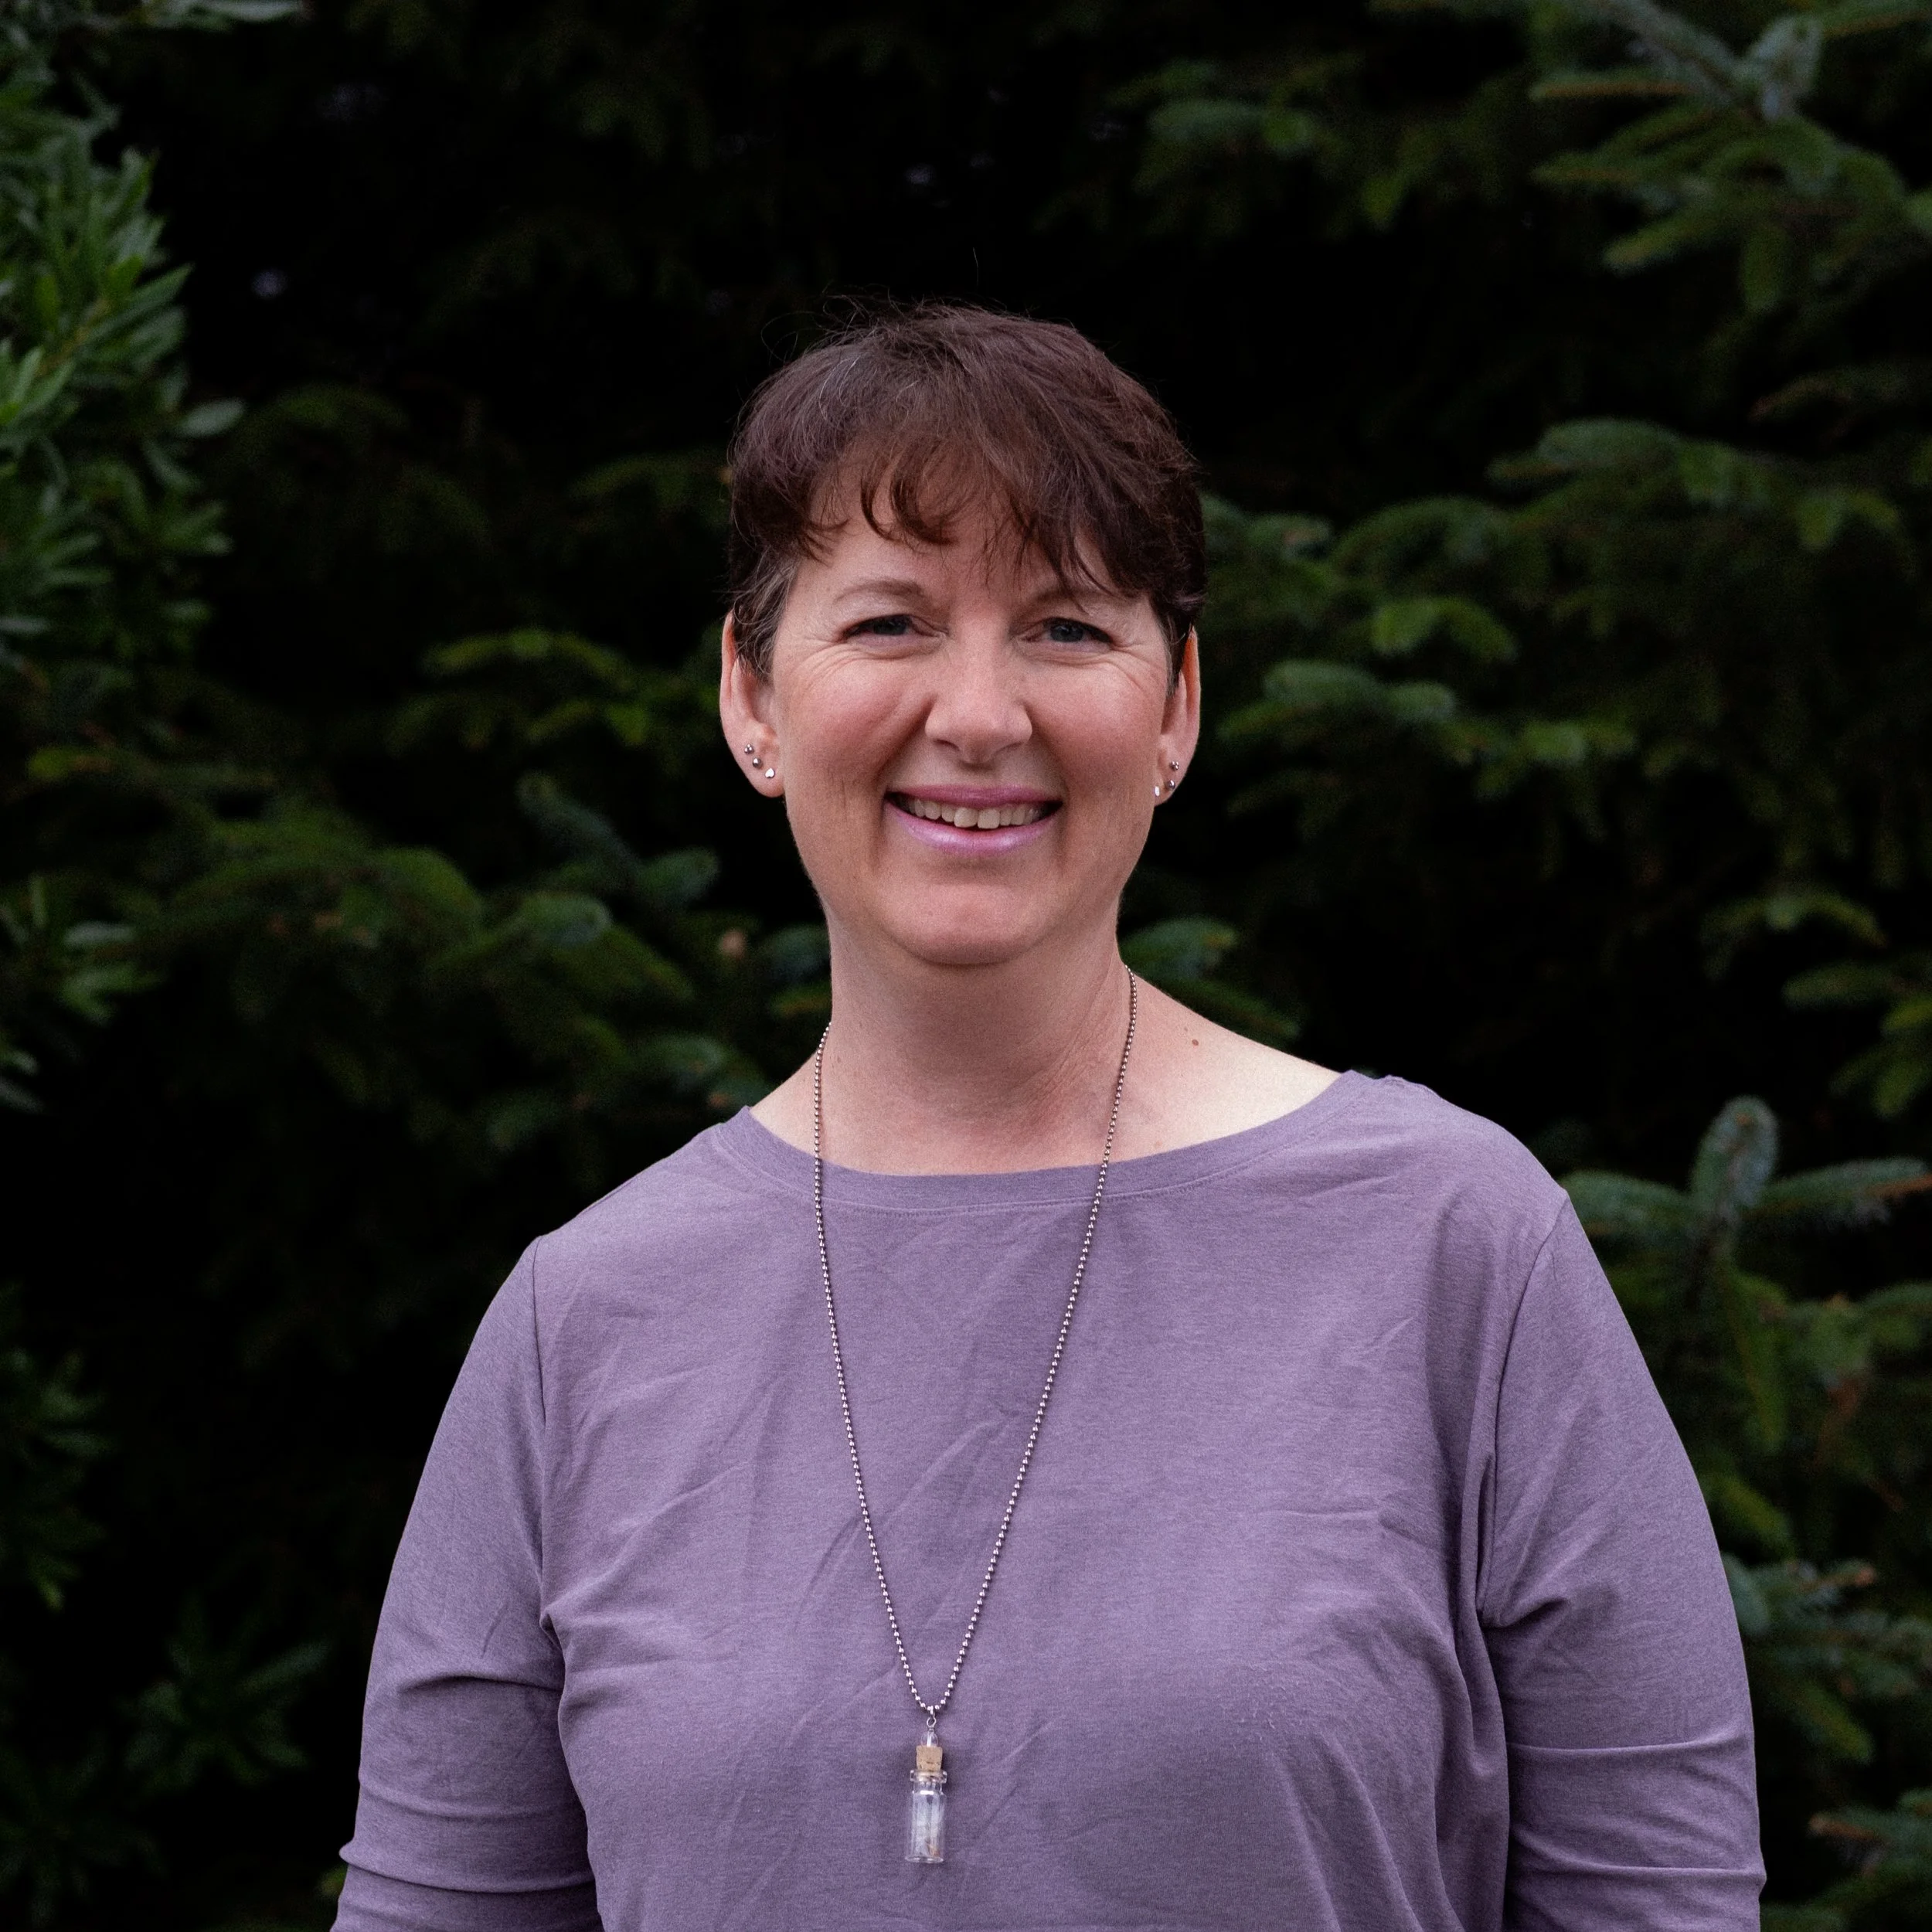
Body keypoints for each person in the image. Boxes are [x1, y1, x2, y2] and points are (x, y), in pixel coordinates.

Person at [333, 305, 1762, 1930]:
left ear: (1174, 709)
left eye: (1067, 628)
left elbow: (1660, 1902)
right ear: (749, 695)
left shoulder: (1451, 1246)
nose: (978, 712)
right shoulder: (579, 1321)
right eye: (887, 621)